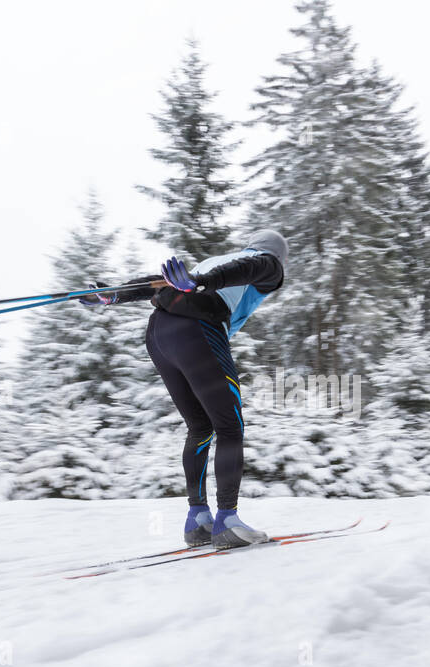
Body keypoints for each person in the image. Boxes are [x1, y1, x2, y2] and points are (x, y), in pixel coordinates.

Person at [89, 230, 288, 549]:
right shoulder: (268, 264)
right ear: (277, 254)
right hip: (198, 328)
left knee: (200, 428)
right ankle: (228, 522)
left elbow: (159, 282)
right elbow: (248, 270)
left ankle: (198, 519)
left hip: (160, 333)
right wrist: (203, 282)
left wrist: (115, 295)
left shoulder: (217, 261)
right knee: (230, 427)